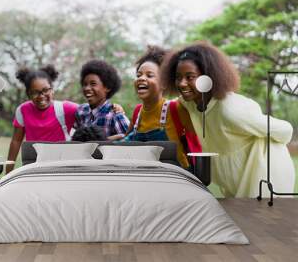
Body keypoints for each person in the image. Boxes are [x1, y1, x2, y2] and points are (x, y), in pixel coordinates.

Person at [162, 41, 295, 197]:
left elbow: (286, 130)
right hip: (234, 179)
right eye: (178, 78)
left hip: (266, 172)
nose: (182, 84)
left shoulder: (230, 110)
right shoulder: (189, 102)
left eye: (190, 77)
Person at [124, 45, 200, 169]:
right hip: (145, 177)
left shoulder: (176, 108)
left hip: (178, 178)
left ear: (164, 83)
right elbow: (127, 141)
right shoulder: (138, 112)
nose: (141, 78)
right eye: (138, 75)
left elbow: (200, 140)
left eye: (149, 75)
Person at [6, 64, 78, 173]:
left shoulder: (66, 108)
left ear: (52, 90)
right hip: (32, 166)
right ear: (28, 94)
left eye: (45, 90)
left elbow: (91, 111)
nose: (41, 96)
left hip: (60, 166)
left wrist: (113, 108)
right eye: (35, 92)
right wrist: (7, 173)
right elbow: (16, 141)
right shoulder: (22, 110)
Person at [74, 59, 130, 140]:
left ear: (107, 87)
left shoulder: (115, 115)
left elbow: (130, 139)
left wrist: (106, 140)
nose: (87, 88)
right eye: (85, 84)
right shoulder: (81, 111)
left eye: (93, 84)